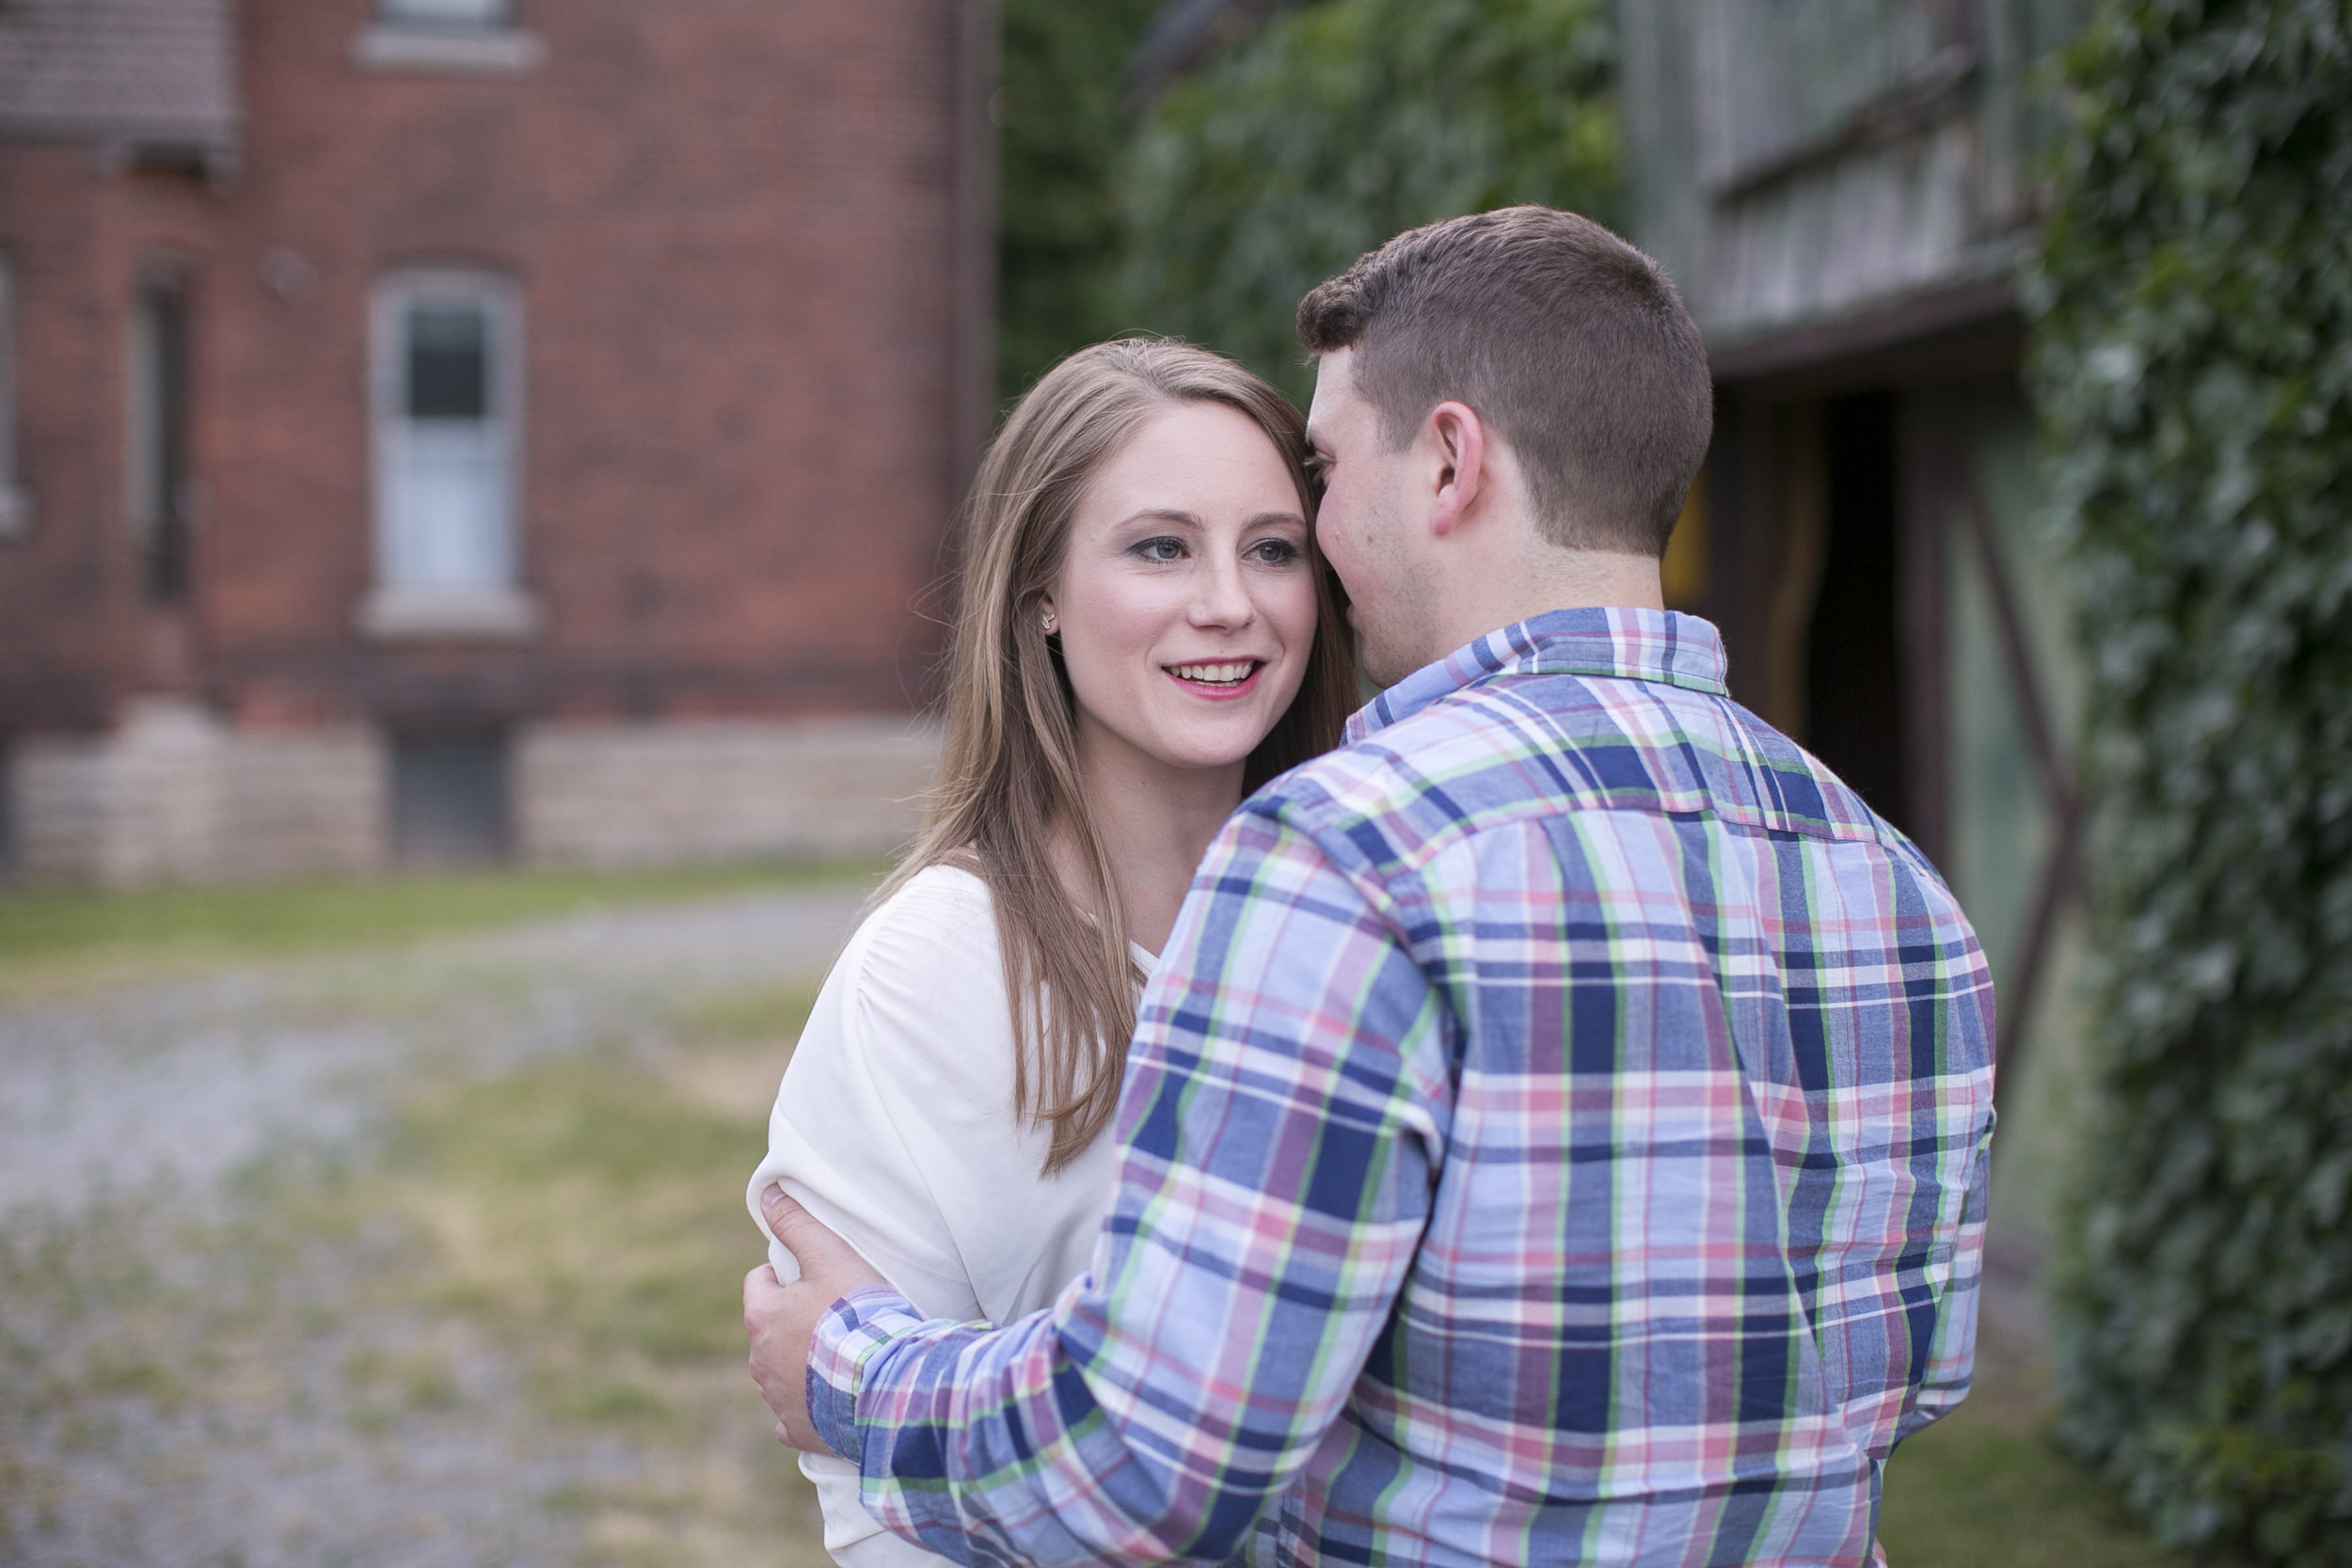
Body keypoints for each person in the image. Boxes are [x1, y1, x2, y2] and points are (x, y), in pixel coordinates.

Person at [747, 207, 1997, 1567]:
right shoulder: (1897, 888)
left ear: (1450, 460)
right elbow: (1913, 1378)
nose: (1275, 580)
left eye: (1310, 497)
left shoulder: (1351, 858)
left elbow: (1153, 1459)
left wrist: (849, 1369)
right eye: (1161, 546)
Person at [742, 339, 1358, 1567]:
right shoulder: (937, 966)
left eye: (1273, 548)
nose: (1229, 600)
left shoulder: (1360, 925)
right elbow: (865, 1479)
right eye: (1160, 547)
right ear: (1041, 596)